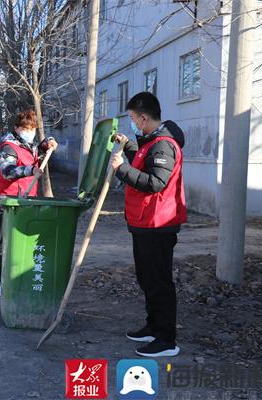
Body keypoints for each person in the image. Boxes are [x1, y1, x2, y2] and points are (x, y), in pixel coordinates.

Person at [110, 92, 187, 357]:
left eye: (132, 118)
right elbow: (144, 158)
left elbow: (156, 182)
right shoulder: (150, 142)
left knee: (158, 281)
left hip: (158, 223)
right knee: (147, 278)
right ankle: (154, 327)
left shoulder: (163, 145)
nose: (131, 123)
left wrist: (122, 169)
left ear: (144, 117)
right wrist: (128, 146)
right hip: (145, 222)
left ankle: (166, 340)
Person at [0, 109, 58, 296]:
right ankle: (3, 282)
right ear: (16, 128)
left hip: (26, 201)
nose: (29, 132)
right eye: (25, 128)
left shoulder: (29, 145)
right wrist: (29, 170)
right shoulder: (8, 146)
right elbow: (7, 170)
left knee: (23, 243)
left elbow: (38, 149)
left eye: (32, 128)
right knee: (4, 245)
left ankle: (20, 278)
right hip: (8, 203)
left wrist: (48, 142)